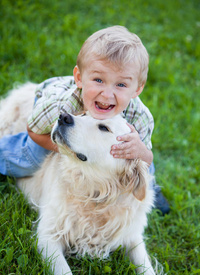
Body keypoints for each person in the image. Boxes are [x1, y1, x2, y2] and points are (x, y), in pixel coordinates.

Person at [0, 26, 169, 214]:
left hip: (101, 127)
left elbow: (143, 159)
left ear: (136, 89)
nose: (107, 94)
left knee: (140, 156)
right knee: (30, 158)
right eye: (98, 80)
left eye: (121, 84)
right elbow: (33, 131)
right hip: (50, 115)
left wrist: (140, 151)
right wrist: (67, 148)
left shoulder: (139, 117)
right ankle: (2, 157)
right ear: (79, 78)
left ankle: (152, 187)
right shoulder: (60, 106)